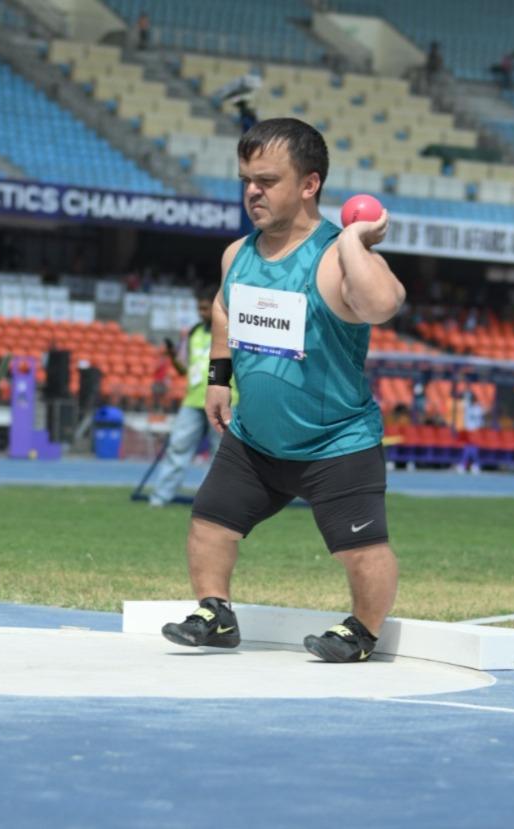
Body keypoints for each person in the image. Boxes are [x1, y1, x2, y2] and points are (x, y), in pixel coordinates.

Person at [160, 118, 405, 663]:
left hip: (335, 442)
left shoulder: (336, 256)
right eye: (247, 180)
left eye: (267, 180)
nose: (252, 192)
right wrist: (218, 379)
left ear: (309, 184)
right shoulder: (237, 254)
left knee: (361, 549)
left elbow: (382, 305)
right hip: (255, 440)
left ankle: (362, 632)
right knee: (210, 525)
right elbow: (223, 307)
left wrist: (353, 240)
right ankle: (215, 613)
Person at [148, 284, 237, 507]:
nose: (201, 312)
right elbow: (184, 369)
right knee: (177, 447)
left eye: (206, 308)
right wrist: (172, 356)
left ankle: (212, 503)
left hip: (224, 402)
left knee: (220, 454)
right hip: (193, 400)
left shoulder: (234, 330)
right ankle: (160, 498)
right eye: (199, 308)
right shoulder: (194, 332)